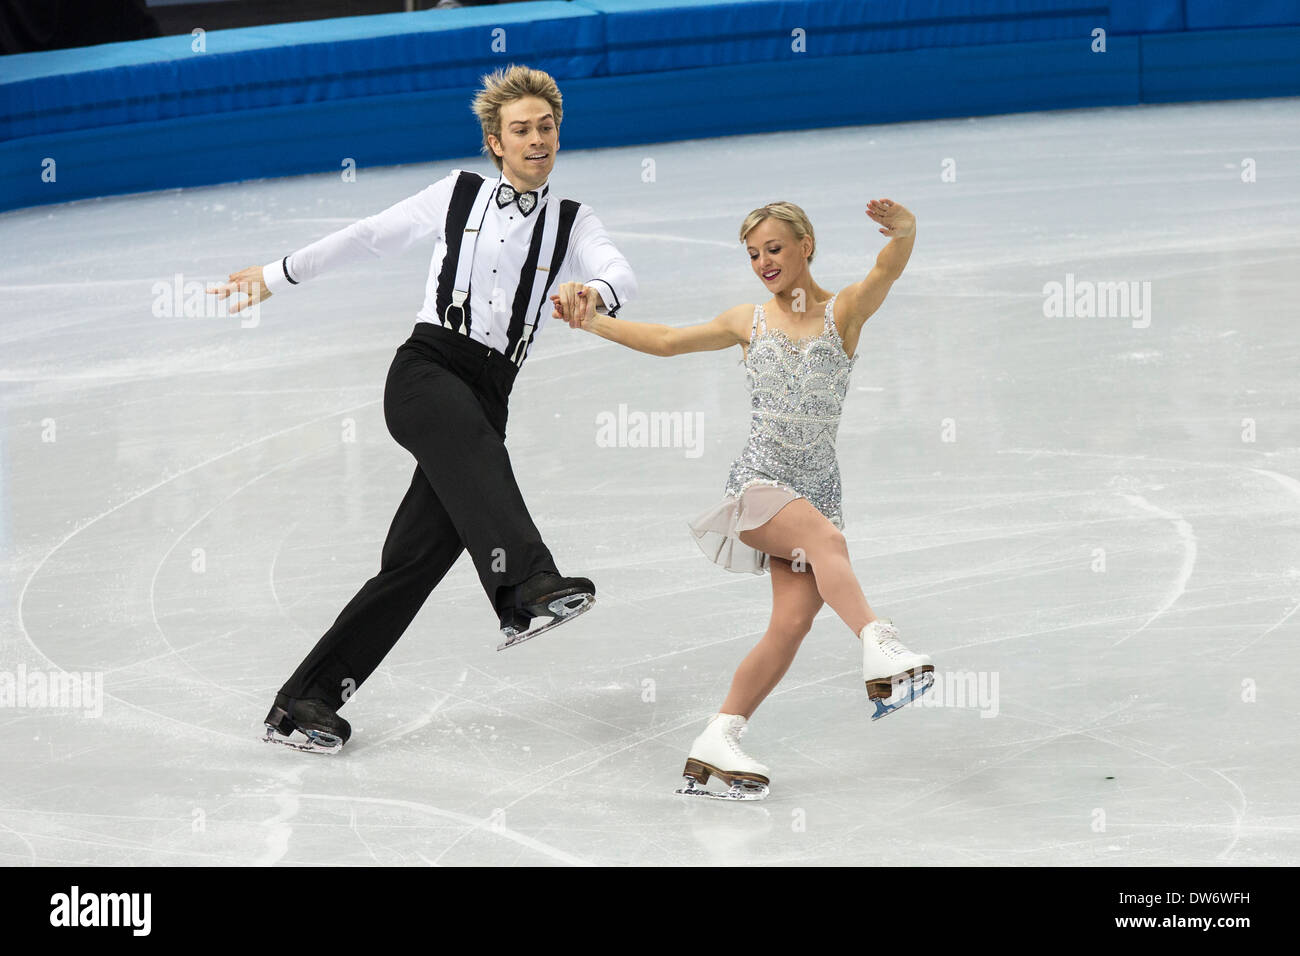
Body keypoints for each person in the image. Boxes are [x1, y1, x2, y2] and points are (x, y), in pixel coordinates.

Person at [209, 65, 636, 754]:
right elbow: (367, 235)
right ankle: (526, 587)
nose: (536, 140)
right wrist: (274, 275)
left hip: (489, 393)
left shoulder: (572, 221)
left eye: (546, 128)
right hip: (427, 372)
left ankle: (304, 702)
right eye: (521, 130)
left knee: (411, 563)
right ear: (496, 142)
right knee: (473, 450)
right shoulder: (456, 194)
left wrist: (597, 293)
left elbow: (620, 270)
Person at [551, 198, 932, 798]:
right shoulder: (746, 321)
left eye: (774, 249)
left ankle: (718, 737)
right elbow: (670, 339)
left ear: (806, 245)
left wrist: (905, 231)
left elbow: (887, 268)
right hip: (759, 487)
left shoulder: (845, 314)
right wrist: (592, 321)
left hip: (817, 493)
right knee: (827, 542)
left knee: (793, 622)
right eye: (754, 254)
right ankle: (879, 643)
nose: (763, 262)